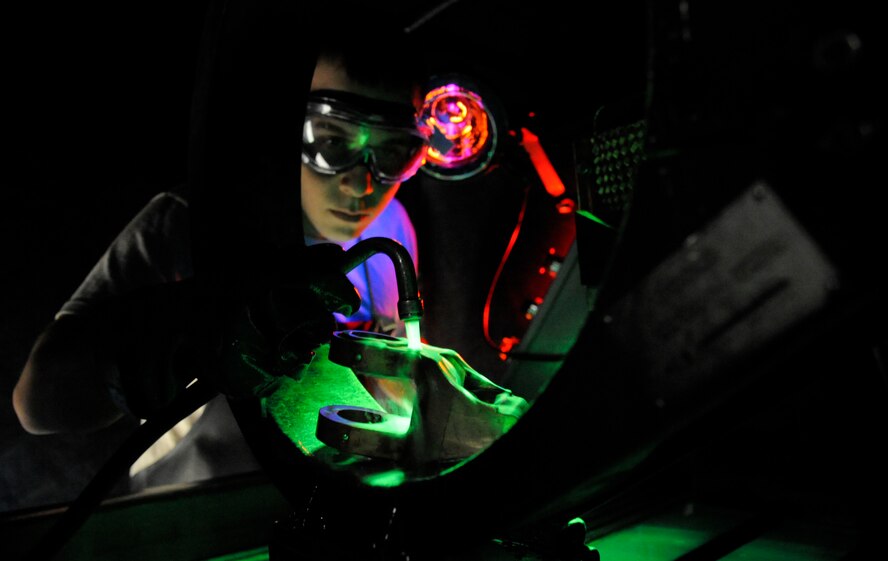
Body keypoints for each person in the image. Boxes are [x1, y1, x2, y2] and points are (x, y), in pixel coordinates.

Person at [11, 13, 527, 493]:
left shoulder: (391, 228)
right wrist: (198, 318)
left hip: (321, 503)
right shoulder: (189, 225)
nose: (361, 185)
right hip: (196, 511)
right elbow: (36, 403)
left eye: (393, 153)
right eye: (331, 141)